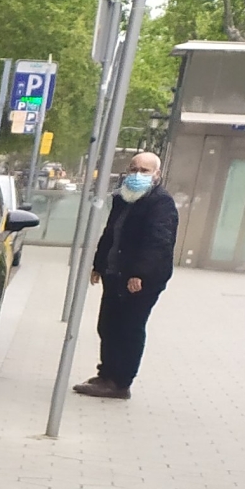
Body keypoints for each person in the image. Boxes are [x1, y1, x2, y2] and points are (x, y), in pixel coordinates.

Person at [73, 151, 179, 400]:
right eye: (133, 169)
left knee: (128, 328)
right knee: (108, 325)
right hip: (116, 273)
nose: (137, 175)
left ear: (157, 175)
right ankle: (106, 374)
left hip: (141, 279)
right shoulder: (124, 198)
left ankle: (120, 383)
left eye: (144, 170)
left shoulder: (160, 202)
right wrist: (99, 264)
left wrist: (139, 274)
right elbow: (111, 233)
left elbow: (159, 243)